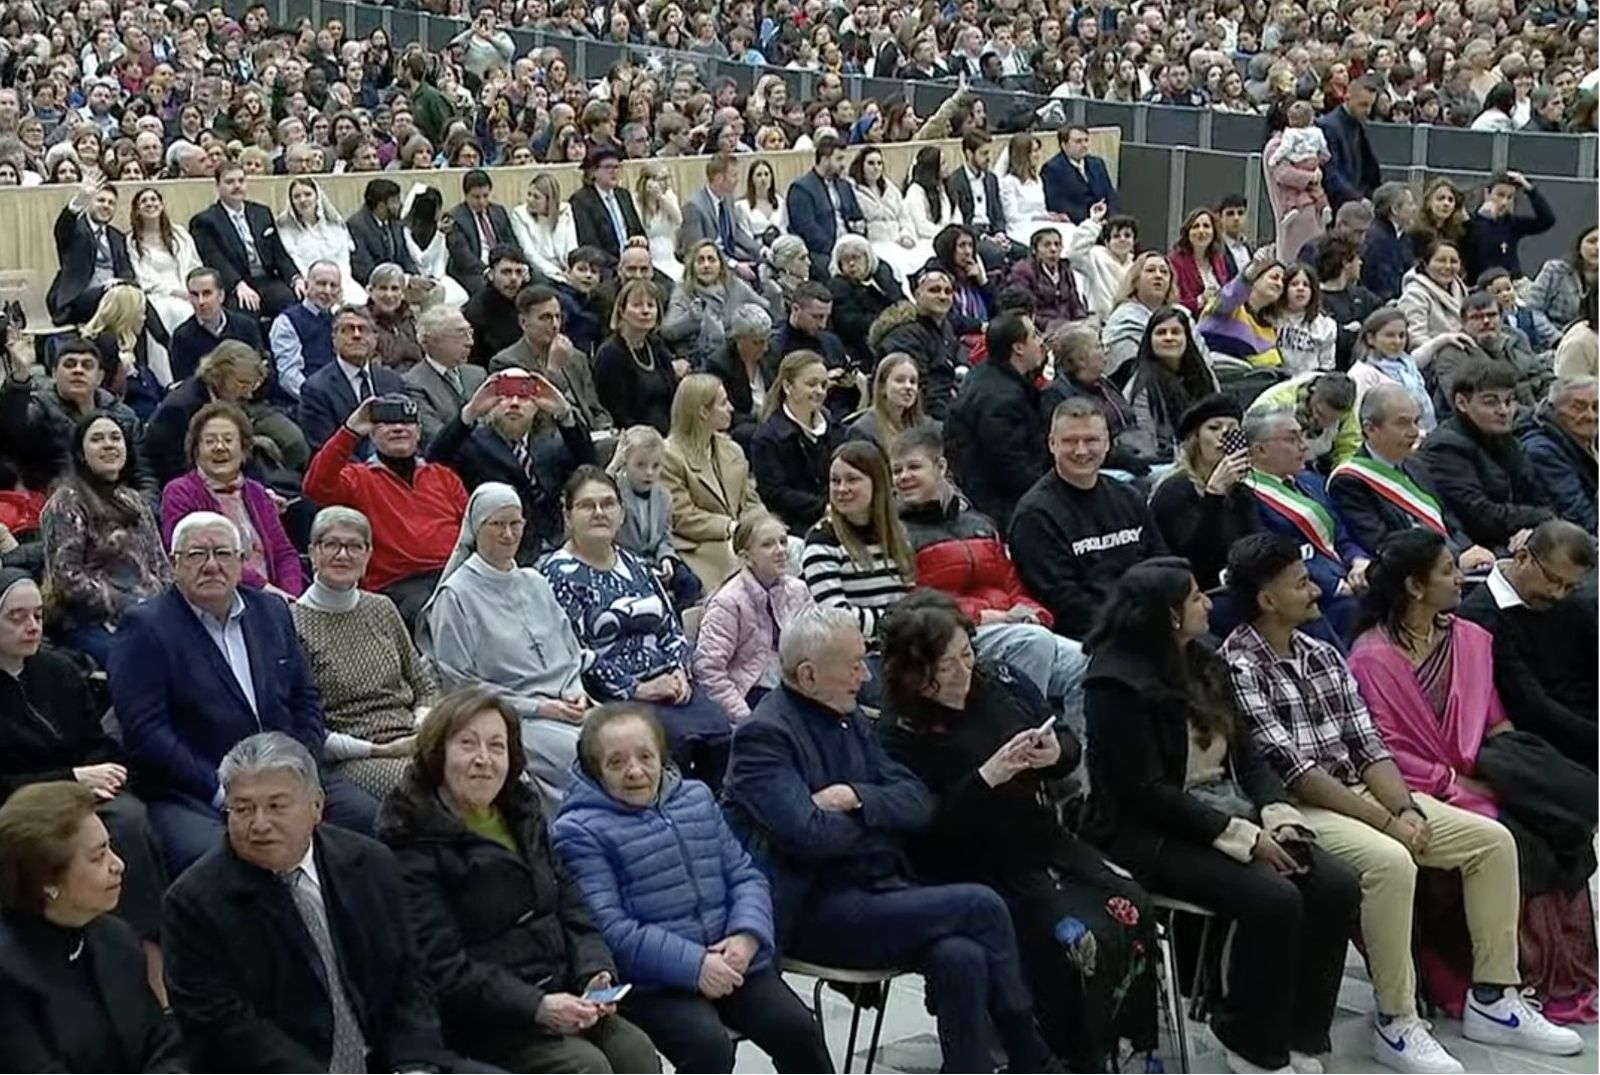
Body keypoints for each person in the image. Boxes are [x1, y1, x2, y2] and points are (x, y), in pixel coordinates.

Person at [1220, 533, 1581, 1074]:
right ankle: (1397, 1020)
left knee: (1491, 841)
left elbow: (1368, 745)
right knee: (1390, 863)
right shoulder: (1239, 665)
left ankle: (1494, 997)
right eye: (1300, 583)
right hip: (1304, 806)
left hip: (1367, 790)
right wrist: (1388, 820)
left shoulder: (1319, 651)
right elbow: (1299, 772)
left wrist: (1407, 809)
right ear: (1268, 599)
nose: (1316, 590)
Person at [722, 607, 1062, 1074]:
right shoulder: (765, 737)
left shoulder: (848, 718)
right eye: (855, 666)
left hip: (880, 890)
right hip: (817, 909)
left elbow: (917, 802)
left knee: (959, 955)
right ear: (808, 673)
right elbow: (810, 836)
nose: (866, 677)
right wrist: (878, 818)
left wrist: (857, 797)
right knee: (981, 905)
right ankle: (1032, 1055)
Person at [1082, 558, 1361, 1075]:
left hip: (1229, 808)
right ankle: (1246, 1036)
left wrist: (1277, 814)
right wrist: (1243, 839)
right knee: (1272, 897)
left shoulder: (1205, 659)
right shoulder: (1113, 684)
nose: (1209, 604)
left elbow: (1249, 756)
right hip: (1150, 831)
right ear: (1167, 615)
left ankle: (1299, 1032)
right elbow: (1145, 792)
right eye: (1195, 598)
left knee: (1335, 885)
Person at [877, 591, 1155, 1069]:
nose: (964, 672)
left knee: (1133, 902)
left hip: (1043, 839)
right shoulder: (901, 730)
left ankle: (1123, 1046)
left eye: (967, 655)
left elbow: (1064, 739)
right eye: (946, 666)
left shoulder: (1001, 681)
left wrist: (1055, 753)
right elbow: (924, 823)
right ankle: (1063, 1055)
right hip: (972, 863)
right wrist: (988, 776)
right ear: (913, 671)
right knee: (1072, 941)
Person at [1347, 530, 1599, 1023]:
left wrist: (1513, 765)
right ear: (1415, 587)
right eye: (1446, 571)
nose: (1460, 577)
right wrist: (1454, 783)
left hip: (1479, 767)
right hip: (1416, 785)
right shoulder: (1370, 657)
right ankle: (1487, 980)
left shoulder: (1469, 638)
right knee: (1510, 833)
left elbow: (1496, 718)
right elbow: (1384, 748)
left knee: (1557, 826)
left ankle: (1557, 975)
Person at [376, 690, 659, 1072]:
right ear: (438, 752)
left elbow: (570, 904)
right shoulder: (412, 838)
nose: (483, 760)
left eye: (497, 746)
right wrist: (536, 1007)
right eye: (467, 744)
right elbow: (441, 966)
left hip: (565, 993)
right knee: (585, 1067)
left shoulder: (522, 812)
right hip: (488, 1017)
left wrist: (594, 972)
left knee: (636, 1052)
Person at [552, 703, 833, 1073]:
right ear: (595, 771)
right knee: (708, 1047)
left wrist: (747, 936)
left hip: (729, 958)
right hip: (652, 980)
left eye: (645, 756)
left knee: (798, 1029)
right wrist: (695, 965)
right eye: (616, 763)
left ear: (662, 757)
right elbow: (610, 928)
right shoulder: (579, 831)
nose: (635, 771)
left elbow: (744, 875)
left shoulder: (696, 798)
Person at [163, 732, 453, 1073]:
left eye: (276, 806)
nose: (259, 824)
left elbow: (409, 979)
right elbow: (226, 1029)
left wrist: (415, 1064)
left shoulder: (371, 864)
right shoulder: (194, 903)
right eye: (242, 809)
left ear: (316, 806)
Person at [542, 467, 731, 788]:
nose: (600, 513)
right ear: (568, 515)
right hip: (613, 695)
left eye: (608, 504)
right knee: (675, 743)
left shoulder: (637, 564)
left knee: (722, 731)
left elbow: (670, 628)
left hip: (668, 686)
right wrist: (636, 689)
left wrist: (678, 673)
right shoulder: (556, 573)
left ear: (621, 512)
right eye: (588, 505)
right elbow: (575, 652)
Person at [415, 484, 592, 813]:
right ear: (475, 529)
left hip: (568, 705)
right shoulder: (456, 596)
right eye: (497, 525)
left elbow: (569, 650)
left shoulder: (535, 581)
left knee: (632, 738)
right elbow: (460, 685)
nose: (509, 534)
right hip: (509, 716)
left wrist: (575, 690)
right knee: (584, 755)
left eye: (516, 523)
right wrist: (541, 708)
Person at [891, 427, 1090, 720]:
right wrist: (984, 616)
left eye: (913, 467)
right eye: (896, 470)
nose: (904, 477)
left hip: (1012, 625)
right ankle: (1020, 738)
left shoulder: (980, 523)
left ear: (941, 467)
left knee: (1085, 662)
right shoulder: (897, 533)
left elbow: (1011, 582)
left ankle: (1075, 756)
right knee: (1033, 643)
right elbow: (915, 600)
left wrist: (1034, 613)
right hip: (954, 633)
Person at [0, 781, 182, 1072]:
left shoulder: (116, 938)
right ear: (47, 882)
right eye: (98, 857)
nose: (118, 864)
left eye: (110, 847)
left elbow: (161, 1042)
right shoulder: (8, 975)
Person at [293, 507, 438, 802]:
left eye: (354, 546)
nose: (343, 555)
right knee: (427, 788)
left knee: (495, 772)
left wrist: (423, 725)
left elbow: (424, 686)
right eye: (332, 544)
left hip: (414, 737)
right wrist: (380, 750)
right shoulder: (292, 623)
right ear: (312, 552)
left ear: (368, 554)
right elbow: (308, 727)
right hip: (357, 756)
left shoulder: (382, 607)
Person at [303, 393, 468, 626]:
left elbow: (472, 530)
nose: (399, 428)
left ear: (419, 432)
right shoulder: (357, 478)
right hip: (398, 587)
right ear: (371, 432)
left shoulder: (443, 476)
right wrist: (350, 431)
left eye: (407, 422)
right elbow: (316, 487)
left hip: (455, 576)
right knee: (443, 609)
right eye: (387, 423)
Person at [1009, 399, 1167, 639]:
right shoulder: (1034, 515)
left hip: (1149, 623)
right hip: (1092, 638)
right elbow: (1064, 601)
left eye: (1091, 440)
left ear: (1107, 444)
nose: (1081, 451)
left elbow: (1160, 563)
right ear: (1052, 444)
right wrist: (1131, 627)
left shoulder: (1128, 497)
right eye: (1070, 441)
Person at [1459, 520, 1598, 770]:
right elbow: (1532, 707)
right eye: (1553, 581)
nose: (1558, 594)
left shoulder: (1570, 599)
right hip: (1549, 742)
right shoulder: (1480, 618)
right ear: (1523, 557)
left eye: (1570, 587)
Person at [39, 413, 170, 665]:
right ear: (80, 452)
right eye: (97, 439)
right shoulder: (67, 502)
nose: (109, 444)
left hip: (151, 615)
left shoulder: (134, 500)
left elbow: (161, 564)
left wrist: (165, 605)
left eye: (115, 438)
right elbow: (67, 580)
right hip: (93, 623)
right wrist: (134, 605)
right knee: (148, 663)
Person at [431, 367, 596, 560]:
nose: (515, 404)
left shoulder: (551, 441)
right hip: (504, 552)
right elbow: (434, 464)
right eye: (505, 396)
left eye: (524, 396)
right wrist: (470, 413)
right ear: (490, 404)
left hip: (558, 545)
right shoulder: (470, 443)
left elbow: (589, 467)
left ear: (537, 406)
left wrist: (565, 414)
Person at [1329, 384, 1493, 571]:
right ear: (1370, 428)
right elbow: (1382, 543)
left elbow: (1448, 521)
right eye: (1403, 423)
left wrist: (1468, 550)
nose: (1415, 432)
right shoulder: (1349, 481)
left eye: (1416, 421)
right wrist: (1455, 558)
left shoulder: (1417, 464)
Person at [1241, 405, 1368, 639]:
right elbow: (1276, 559)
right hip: (1310, 595)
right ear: (1260, 449)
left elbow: (1342, 536)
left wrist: (1358, 561)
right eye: (1292, 439)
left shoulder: (1313, 482)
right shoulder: (1246, 497)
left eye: (1302, 436)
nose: (1304, 446)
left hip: (1347, 578)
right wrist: (1334, 584)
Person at [159, 402, 304, 597]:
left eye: (228, 440)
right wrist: (267, 592)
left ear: (244, 450)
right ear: (196, 450)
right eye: (210, 441)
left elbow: (283, 553)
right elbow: (194, 555)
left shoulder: (257, 492)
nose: (220, 447)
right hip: (214, 594)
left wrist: (291, 596)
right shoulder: (180, 492)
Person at [1417, 356, 1554, 552]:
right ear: (1462, 403)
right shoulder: (1445, 447)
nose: (1504, 410)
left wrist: (1536, 528)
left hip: (1518, 538)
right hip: (1477, 551)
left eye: (1509, 401)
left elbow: (1541, 497)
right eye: (1491, 402)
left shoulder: (1506, 438)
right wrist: (1540, 519)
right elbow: (1480, 516)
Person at [693, 513, 812, 723]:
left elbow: (814, 648)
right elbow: (708, 670)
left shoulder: (798, 590)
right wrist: (745, 718)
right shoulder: (727, 602)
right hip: (751, 693)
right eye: (768, 545)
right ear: (746, 557)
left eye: (783, 542)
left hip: (797, 686)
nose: (781, 551)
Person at [943, 311, 1048, 528]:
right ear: (1018, 347)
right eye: (1035, 336)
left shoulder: (986, 376)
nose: (1042, 342)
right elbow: (1014, 469)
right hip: (1004, 509)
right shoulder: (1001, 400)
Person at [661, 374, 762, 590]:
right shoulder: (669, 455)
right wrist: (731, 527)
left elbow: (750, 500)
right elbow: (682, 517)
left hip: (740, 536)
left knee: (790, 548)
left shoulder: (732, 449)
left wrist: (760, 526)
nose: (731, 408)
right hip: (701, 545)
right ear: (703, 411)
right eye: (723, 403)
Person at [1150, 395, 1260, 590]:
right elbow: (1194, 558)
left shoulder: (1240, 491)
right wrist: (1214, 495)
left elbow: (1254, 542)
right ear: (1196, 438)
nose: (1224, 436)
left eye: (1232, 428)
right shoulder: (1174, 490)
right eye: (1214, 428)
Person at [490, 284, 611, 434]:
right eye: (545, 318)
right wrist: (553, 370)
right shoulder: (506, 362)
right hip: (547, 440)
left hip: (588, 435)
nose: (554, 325)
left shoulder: (576, 357)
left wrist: (606, 428)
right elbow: (537, 419)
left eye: (558, 317)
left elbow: (594, 408)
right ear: (523, 322)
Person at [188, 163, 302, 319]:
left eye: (241, 181)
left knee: (291, 300)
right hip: (235, 283)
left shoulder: (262, 212)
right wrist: (237, 285)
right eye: (230, 182)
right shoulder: (205, 221)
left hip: (267, 279)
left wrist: (295, 277)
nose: (237, 186)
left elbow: (279, 252)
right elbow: (215, 259)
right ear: (217, 185)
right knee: (245, 309)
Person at [749, 351, 848, 533]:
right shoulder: (767, 437)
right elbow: (775, 493)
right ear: (788, 387)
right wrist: (822, 508)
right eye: (811, 384)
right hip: (794, 525)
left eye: (823, 385)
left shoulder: (834, 429)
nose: (819, 391)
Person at [298, 305, 408, 453]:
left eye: (363, 329)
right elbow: (325, 447)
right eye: (348, 329)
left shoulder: (393, 382)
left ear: (375, 339)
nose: (357, 335)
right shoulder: (316, 389)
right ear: (334, 339)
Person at [1122, 305, 1222, 464]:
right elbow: (1146, 442)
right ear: (1150, 340)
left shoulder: (1205, 375)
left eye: (1176, 332)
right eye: (1161, 333)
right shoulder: (1141, 385)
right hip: (1163, 463)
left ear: (1187, 338)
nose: (1169, 337)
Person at [871, 268, 964, 421]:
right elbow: (920, 390)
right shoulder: (905, 335)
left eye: (948, 291)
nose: (943, 296)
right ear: (917, 295)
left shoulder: (945, 329)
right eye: (934, 290)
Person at [47, 176, 137, 327]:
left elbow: (127, 271)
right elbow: (62, 227)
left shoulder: (117, 237)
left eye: (111, 203)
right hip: (78, 298)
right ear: (89, 203)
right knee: (119, 298)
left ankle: (168, 343)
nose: (106, 206)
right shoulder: (76, 229)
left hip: (114, 295)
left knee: (141, 300)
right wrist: (79, 200)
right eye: (100, 200)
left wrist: (120, 282)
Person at [595, 279, 679, 435]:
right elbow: (617, 411)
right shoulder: (611, 354)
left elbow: (673, 395)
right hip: (635, 438)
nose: (645, 311)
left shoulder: (656, 346)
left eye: (651, 305)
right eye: (637, 305)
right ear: (622, 311)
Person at [663, 240, 767, 367]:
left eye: (711, 260)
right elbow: (668, 331)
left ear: (721, 265)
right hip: (698, 360)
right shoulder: (683, 291)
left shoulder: (735, 285)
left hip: (735, 357)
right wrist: (690, 319)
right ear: (692, 266)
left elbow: (764, 308)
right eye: (700, 261)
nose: (706, 265)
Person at [1346, 308, 1448, 435]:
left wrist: (1445, 339)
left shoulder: (1407, 364)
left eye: (1402, 335)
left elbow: (1421, 355)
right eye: (1390, 335)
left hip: (1427, 436)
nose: (1397, 342)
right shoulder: (1362, 374)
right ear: (1370, 338)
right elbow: (1357, 421)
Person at [127, 186, 203, 346]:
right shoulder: (131, 242)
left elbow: (194, 264)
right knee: (169, 312)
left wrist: (191, 290)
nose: (150, 204)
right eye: (144, 201)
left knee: (191, 310)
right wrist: (173, 292)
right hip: (155, 295)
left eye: (154, 199)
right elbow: (140, 276)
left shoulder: (180, 235)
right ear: (137, 210)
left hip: (186, 289)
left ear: (161, 206)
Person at [1521, 376, 1597, 532]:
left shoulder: (1589, 438)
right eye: (1578, 408)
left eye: (1596, 407)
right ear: (1553, 409)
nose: (1591, 416)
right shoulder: (1542, 452)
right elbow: (1579, 515)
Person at [786, 135, 866, 281]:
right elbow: (808, 230)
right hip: (822, 252)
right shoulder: (801, 189)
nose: (843, 164)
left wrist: (857, 244)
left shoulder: (845, 186)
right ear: (824, 160)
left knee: (882, 269)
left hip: (851, 247)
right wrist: (838, 250)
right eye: (839, 159)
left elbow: (858, 218)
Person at [406, 304, 487, 446]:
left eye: (470, 333)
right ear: (431, 340)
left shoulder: (477, 375)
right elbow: (434, 435)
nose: (470, 342)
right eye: (461, 334)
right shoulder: (413, 383)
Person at [277, 178, 365, 307]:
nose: (303, 200)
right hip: (310, 285)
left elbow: (343, 261)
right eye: (297, 196)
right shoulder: (285, 230)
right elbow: (295, 261)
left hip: (341, 282)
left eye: (307, 194)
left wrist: (337, 285)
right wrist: (318, 285)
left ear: (317, 197)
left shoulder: (335, 226)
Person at [1250, 369, 1362, 470]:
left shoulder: (1346, 411)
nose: (1320, 422)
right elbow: (1255, 440)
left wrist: (1342, 473)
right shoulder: (1276, 404)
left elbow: (1348, 449)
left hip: (1308, 466)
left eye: (1331, 420)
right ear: (1313, 392)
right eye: (1319, 412)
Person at [1459, 171, 1556, 285]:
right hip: (1482, 287)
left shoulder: (1511, 223)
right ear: (1487, 194)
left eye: (1510, 197)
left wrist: (1530, 189)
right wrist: (1484, 219)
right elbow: (1476, 247)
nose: (1504, 202)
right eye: (1500, 195)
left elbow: (1547, 220)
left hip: (1513, 284)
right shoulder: (1471, 222)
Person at [828, 238, 904, 374]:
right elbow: (849, 321)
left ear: (867, 258)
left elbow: (900, 301)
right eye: (846, 260)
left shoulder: (882, 276)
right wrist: (886, 322)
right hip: (862, 343)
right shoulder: (838, 286)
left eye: (856, 258)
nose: (851, 264)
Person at [678, 152, 763, 274]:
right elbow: (695, 251)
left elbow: (737, 232)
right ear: (719, 178)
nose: (738, 180)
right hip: (711, 266)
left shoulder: (728, 198)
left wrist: (760, 250)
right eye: (734, 175)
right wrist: (733, 265)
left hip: (732, 255)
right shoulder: (694, 207)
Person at [1102, 252, 1182, 377]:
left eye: (1164, 272)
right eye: (1150, 270)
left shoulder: (1182, 315)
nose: (1158, 276)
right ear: (1136, 281)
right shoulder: (1123, 318)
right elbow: (1126, 369)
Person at [706, 304, 775, 450]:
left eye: (766, 340)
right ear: (739, 339)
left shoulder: (770, 355)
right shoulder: (720, 364)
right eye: (757, 343)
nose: (765, 348)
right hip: (742, 427)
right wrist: (762, 419)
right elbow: (725, 412)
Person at [446, 169, 517, 298]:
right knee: (488, 291)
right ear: (466, 195)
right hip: (474, 271)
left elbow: (511, 241)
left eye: (485, 196)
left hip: (503, 265)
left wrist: (519, 264)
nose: (482, 202)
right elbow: (462, 255)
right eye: (476, 197)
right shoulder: (455, 217)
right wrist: (487, 270)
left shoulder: (498, 211)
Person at [845, 352, 934, 456]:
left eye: (913, 381)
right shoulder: (863, 431)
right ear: (882, 386)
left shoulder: (927, 427)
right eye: (900, 380)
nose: (908, 387)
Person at [1315, 75, 1382, 211]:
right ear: (1348, 96)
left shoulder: (1357, 125)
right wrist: (1357, 198)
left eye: (1371, 106)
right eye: (1363, 105)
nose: (1368, 111)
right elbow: (1330, 173)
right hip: (1337, 204)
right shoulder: (1329, 126)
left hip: (1354, 199)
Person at [570, 146, 647, 263]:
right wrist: (617, 262)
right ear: (593, 172)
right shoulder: (581, 200)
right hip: (604, 265)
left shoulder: (623, 195)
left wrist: (639, 240)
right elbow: (589, 242)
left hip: (634, 261)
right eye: (608, 167)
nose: (614, 172)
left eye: (617, 167)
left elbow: (637, 230)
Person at [1526, 225, 1597, 350]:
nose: (1597, 247)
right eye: (1592, 241)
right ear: (1579, 245)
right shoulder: (1555, 271)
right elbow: (1532, 310)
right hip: (1551, 344)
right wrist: (1557, 339)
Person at [1008, 227, 1088, 333]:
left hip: (1069, 327)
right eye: (1047, 245)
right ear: (1034, 250)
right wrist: (1056, 325)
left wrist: (1082, 320)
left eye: (1057, 244)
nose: (1053, 249)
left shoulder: (1065, 268)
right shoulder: (1023, 271)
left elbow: (1075, 303)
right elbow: (1023, 312)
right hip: (1042, 330)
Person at [464, 244, 532, 366]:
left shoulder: (527, 301)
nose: (513, 278)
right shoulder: (477, 311)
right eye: (506, 272)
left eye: (518, 272)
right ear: (490, 274)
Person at [347, 177, 420, 286]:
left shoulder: (395, 223)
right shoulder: (356, 226)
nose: (400, 205)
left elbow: (406, 257)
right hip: (375, 286)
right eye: (395, 201)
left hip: (399, 283)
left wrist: (415, 277)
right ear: (381, 206)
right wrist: (404, 281)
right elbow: (364, 269)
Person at [1398, 239, 1468, 348]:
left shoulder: (1462, 290)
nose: (1448, 266)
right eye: (1441, 261)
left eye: (1453, 261)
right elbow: (1415, 338)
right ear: (1426, 264)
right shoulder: (1414, 295)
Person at [1041, 124, 1117, 223]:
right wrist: (1092, 219)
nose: (1084, 145)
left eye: (1086, 140)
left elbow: (1110, 195)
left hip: (1104, 221)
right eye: (1078, 141)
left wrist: (1110, 219)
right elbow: (1057, 204)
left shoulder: (1097, 164)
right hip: (1076, 223)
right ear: (1064, 145)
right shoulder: (1052, 169)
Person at [1170, 207, 1236, 316]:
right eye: (1195, 227)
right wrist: (1200, 300)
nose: (1201, 231)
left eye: (1206, 226)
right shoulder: (1175, 262)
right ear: (1188, 232)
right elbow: (1172, 303)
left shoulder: (1219, 260)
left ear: (1214, 232)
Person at [1363, 183, 1418, 304]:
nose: (1414, 209)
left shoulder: (1403, 236)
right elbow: (1383, 282)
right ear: (1394, 209)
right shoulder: (1377, 239)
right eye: (1410, 204)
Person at [366, 263, 424, 372]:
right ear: (370, 291)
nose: (389, 295)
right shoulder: (363, 322)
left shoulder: (412, 320)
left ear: (402, 293)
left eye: (394, 288)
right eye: (383, 288)